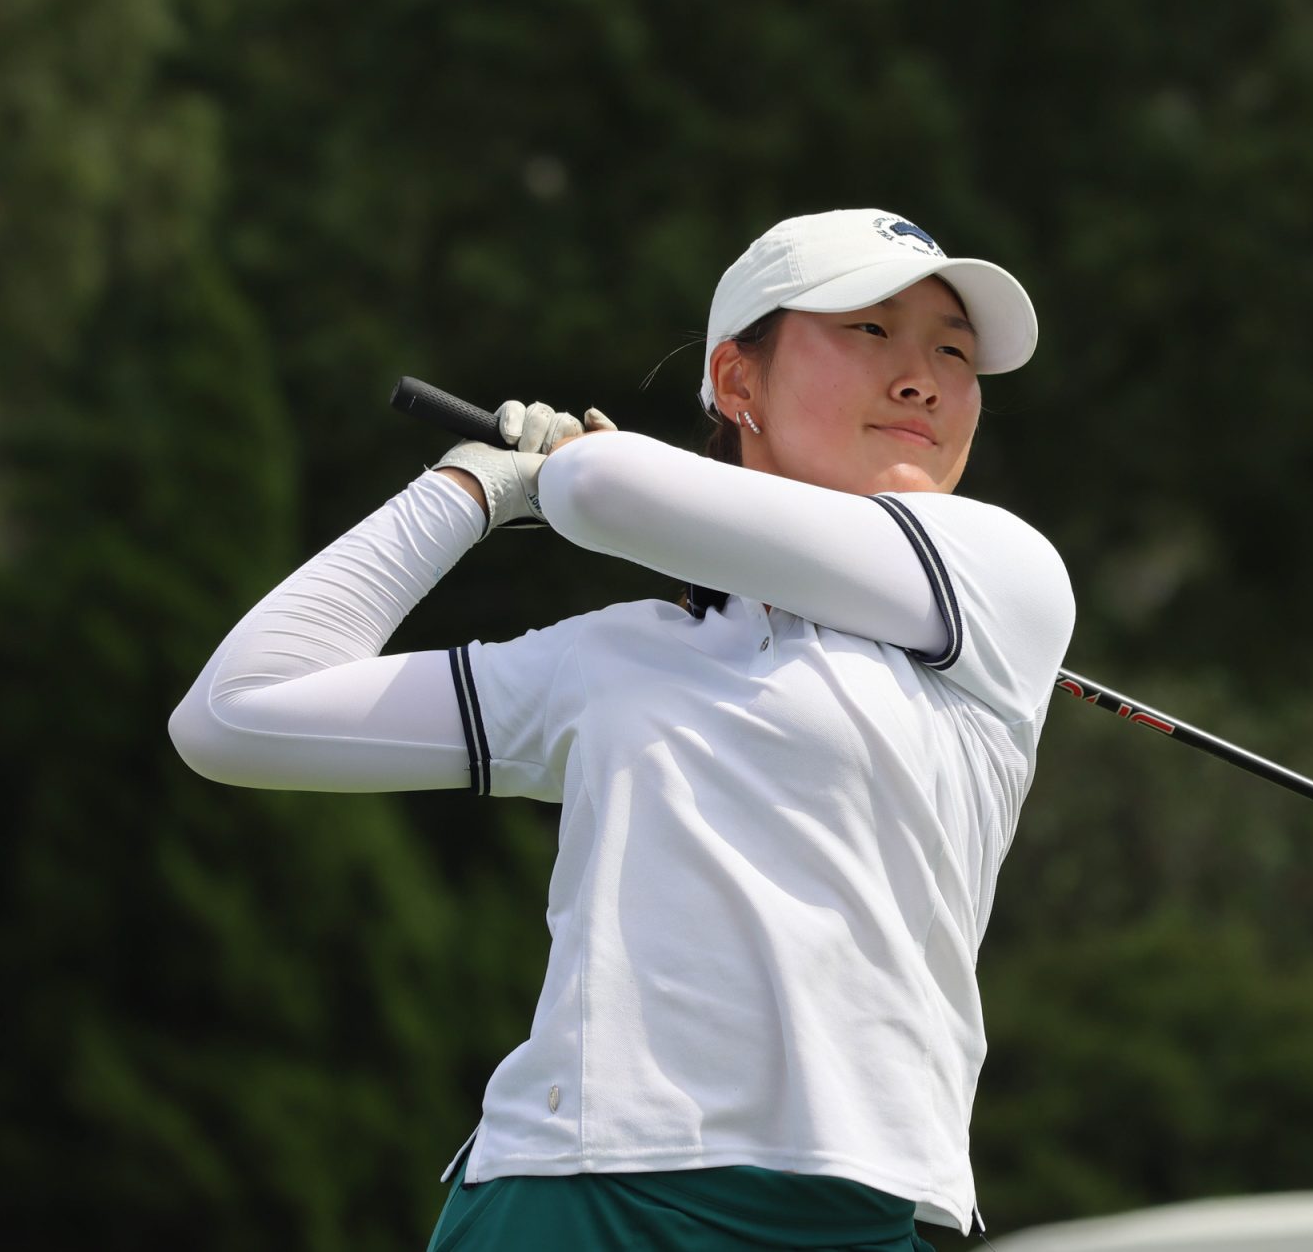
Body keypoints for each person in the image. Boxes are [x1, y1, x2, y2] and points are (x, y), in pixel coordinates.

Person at [169, 208, 1077, 1250]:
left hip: (848, 1217)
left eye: (954, 352)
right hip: (572, 1200)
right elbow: (236, 714)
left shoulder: (1002, 572)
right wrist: (467, 489)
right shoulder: (613, 657)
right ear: (737, 381)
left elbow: (602, 486)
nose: (922, 379)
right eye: (870, 330)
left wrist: (569, 467)